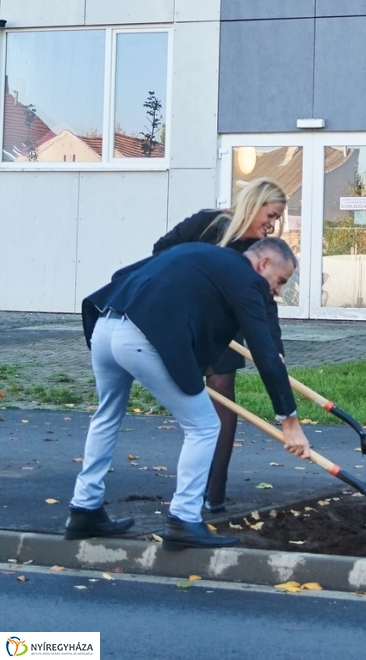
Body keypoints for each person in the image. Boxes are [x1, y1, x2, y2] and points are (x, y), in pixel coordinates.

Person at [65, 236, 311, 550]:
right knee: (205, 426)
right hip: (140, 338)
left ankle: (84, 508)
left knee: (107, 416)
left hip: (106, 323)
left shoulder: (200, 253)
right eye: (280, 281)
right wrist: (289, 423)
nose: (276, 290)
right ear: (264, 264)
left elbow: (122, 275)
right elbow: (263, 351)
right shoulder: (249, 281)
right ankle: (184, 519)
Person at [152, 178, 289, 511]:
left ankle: (215, 489)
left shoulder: (258, 250)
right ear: (254, 205)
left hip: (226, 326)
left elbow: (265, 299)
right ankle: (192, 487)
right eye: (270, 215)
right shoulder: (208, 223)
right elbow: (161, 250)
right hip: (187, 318)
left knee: (222, 387)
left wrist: (275, 346)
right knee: (194, 403)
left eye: (277, 219)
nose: (271, 225)